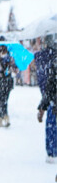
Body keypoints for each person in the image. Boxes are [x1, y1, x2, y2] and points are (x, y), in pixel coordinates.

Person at [35, 35, 57, 163]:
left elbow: (49, 88)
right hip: (54, 102)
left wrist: (42, 107)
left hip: (53, 103)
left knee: (51, 126)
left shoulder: (44, 57)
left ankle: (52, 152)